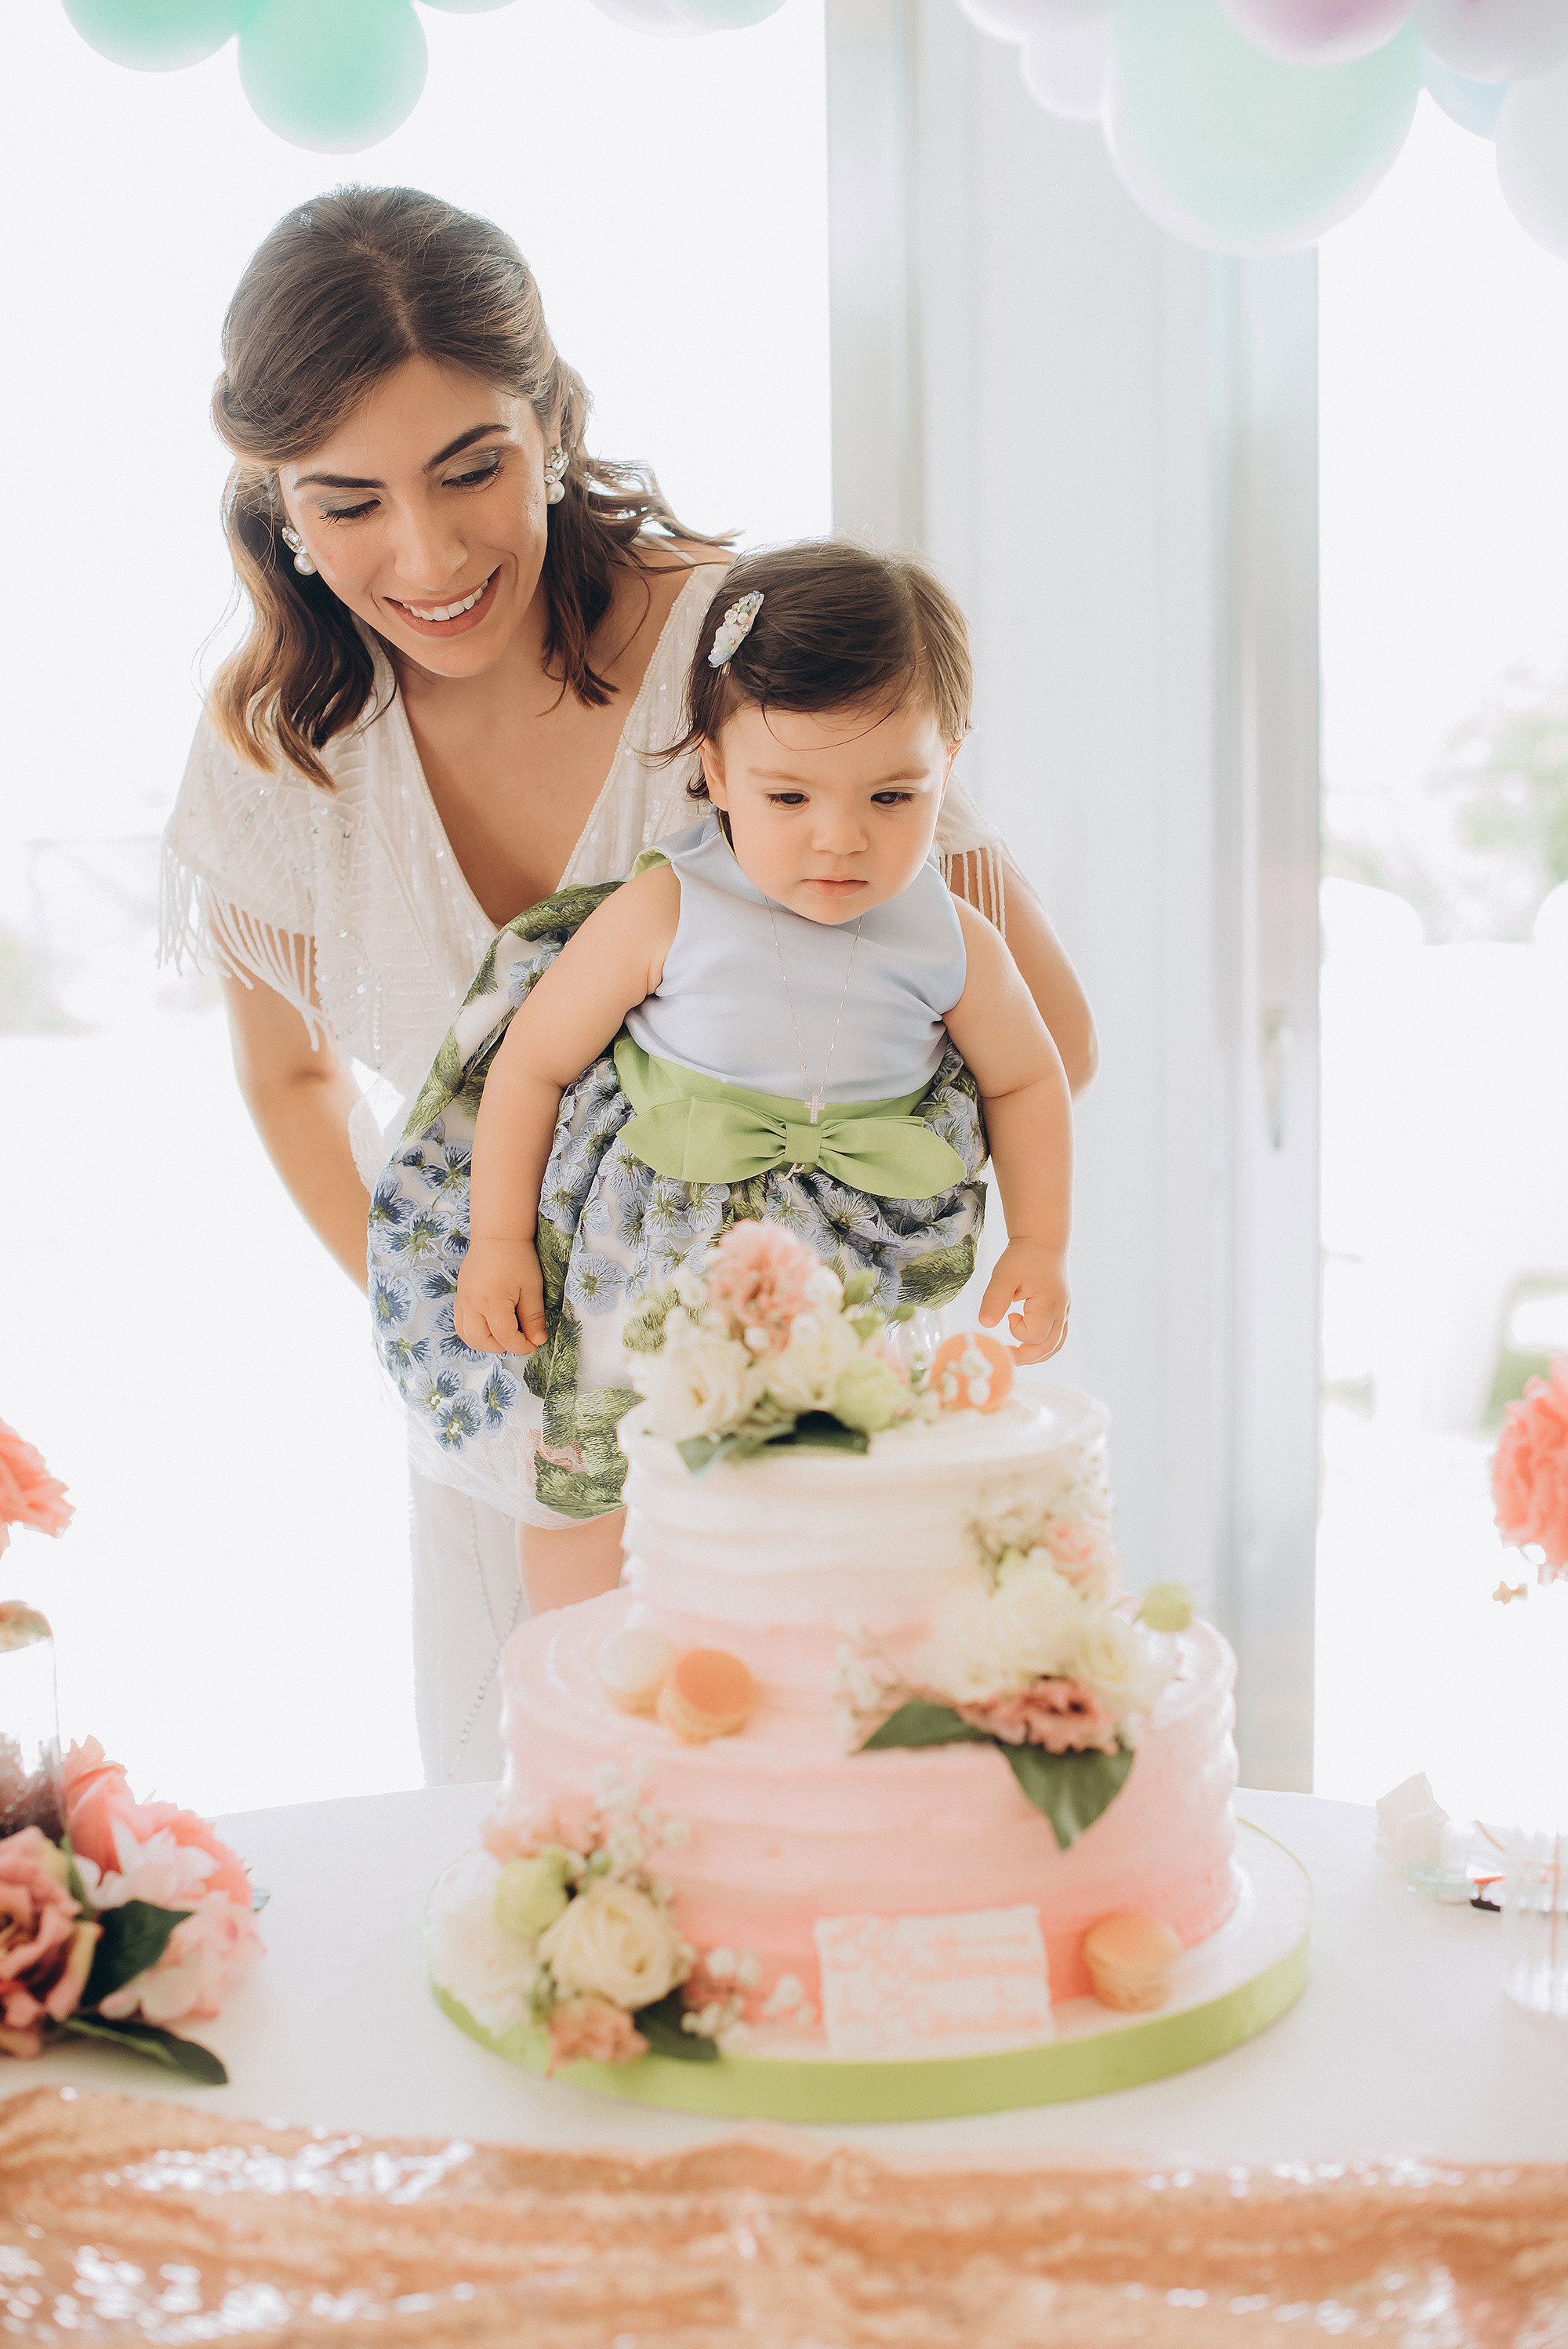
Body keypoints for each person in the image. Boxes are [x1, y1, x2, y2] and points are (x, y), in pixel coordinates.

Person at [162, 187, 1098, 1784]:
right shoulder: (282, 749)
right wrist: (467, 1311)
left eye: (475, 469)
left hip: (812, 1425)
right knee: (553, 1843)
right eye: (348, 502)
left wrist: (807, 1299)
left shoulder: (746, 657)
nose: (429, 553)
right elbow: (290, 1077)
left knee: (815, 1827)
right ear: (273, 501)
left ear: (553, 421)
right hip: (512, 1433)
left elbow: (1038, 1034)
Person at [427, 543, 1070, 1622]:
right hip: (654, 1263)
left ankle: (799, 1699)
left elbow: (1029, 1081)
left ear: (947, 768)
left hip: (849, 1273)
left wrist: (1040, 1243)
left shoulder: (948, 936)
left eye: (893, 793)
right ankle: (587, 1680)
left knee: (842, 1508)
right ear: (717, 773)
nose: (841, 835)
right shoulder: (672, 907)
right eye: (788, 794)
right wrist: (499, 1239)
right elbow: (533, 1063)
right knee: (602, 1492)